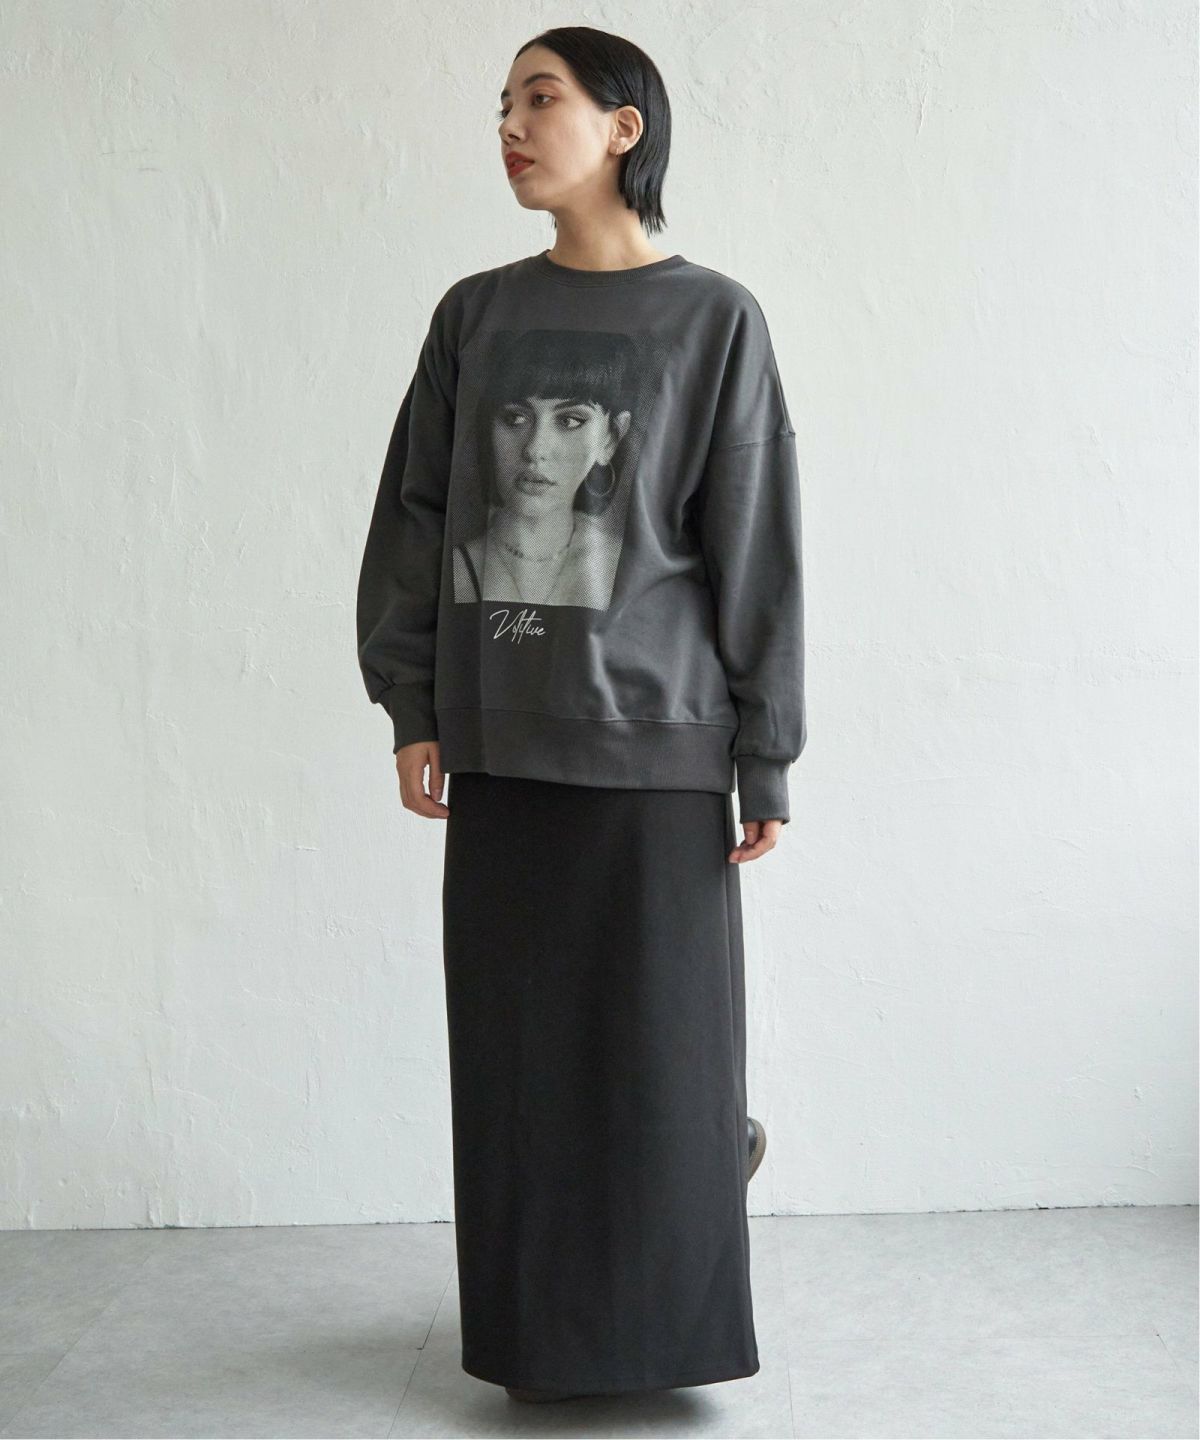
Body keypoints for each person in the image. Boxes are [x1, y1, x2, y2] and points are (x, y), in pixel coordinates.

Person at [356, 24, 804, 1404]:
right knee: (520, 1074)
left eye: (539, 99)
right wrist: (411, 702)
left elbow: (753, 540)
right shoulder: (473, 317)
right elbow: (415, 516)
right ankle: (539, 1346)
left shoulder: (713, 319)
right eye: (502, 104)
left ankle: (671, 1321)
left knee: (668, 1071)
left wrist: (765, 752)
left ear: (624, 126)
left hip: (658, 749)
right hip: (503, 747)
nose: (510, 125)